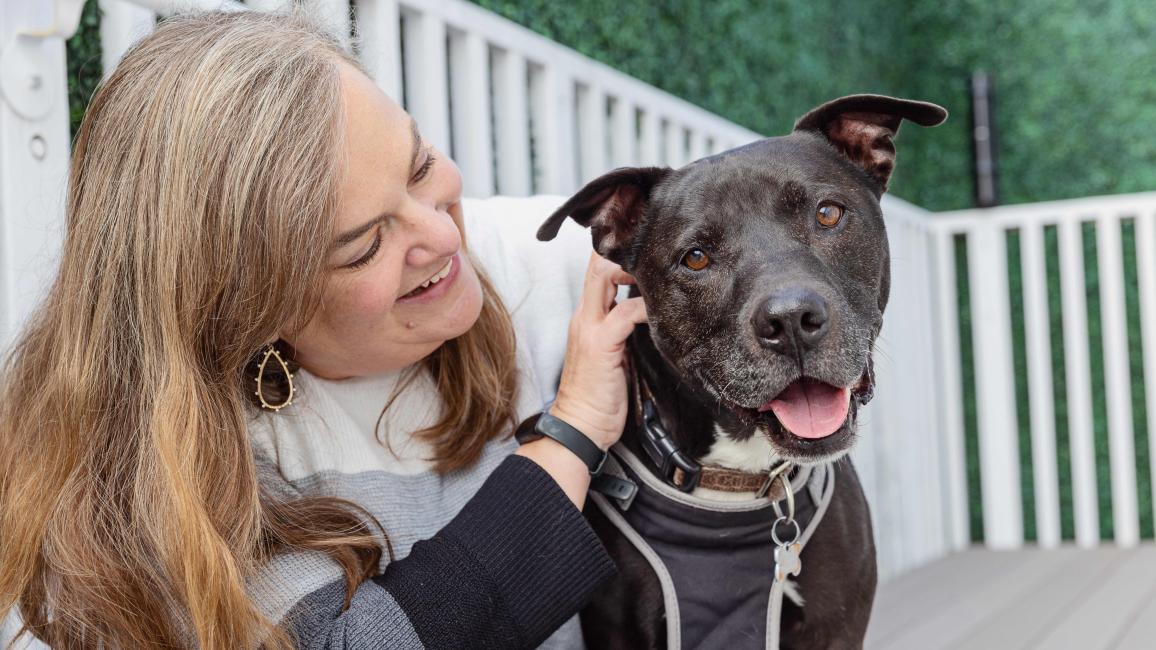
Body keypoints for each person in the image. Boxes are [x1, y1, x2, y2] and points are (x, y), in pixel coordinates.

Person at [0, 10, 646, 649]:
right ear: (247, 305)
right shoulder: (178, 470)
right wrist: (574, 429)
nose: (445, 234)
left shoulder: (533, 264)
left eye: (419, 167)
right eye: (365, 246)